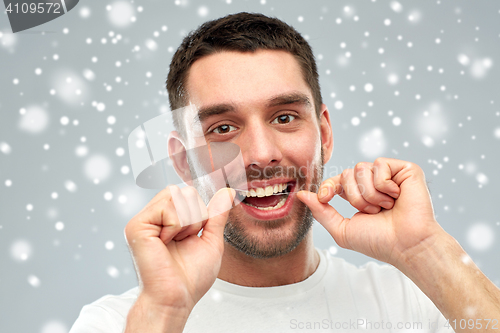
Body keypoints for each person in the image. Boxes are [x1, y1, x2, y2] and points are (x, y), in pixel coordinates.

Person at [70, 12, 500, 333]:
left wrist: (426, 250)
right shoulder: (115, 323)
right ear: (184, 162)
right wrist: (163, 312)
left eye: (284, 117)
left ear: (324, 134)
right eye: (223, 128)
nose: (261, 153)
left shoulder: (416, 303)